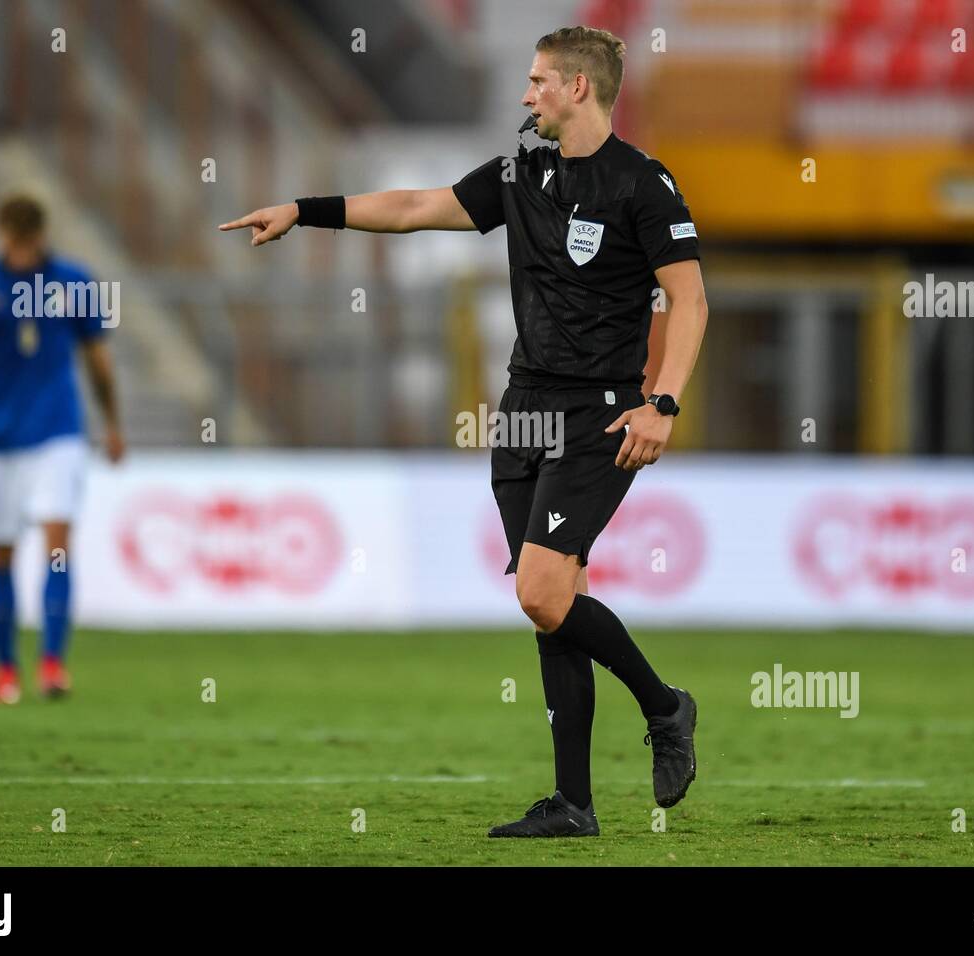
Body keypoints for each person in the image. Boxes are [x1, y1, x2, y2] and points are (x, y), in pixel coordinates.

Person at [220, 26, 709, 837]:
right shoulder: (522, 169)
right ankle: (575, 805)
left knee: (541, 590)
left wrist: (661, 402)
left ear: (578, 88)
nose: (526, 96)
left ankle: (666, 707)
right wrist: (305, 212)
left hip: (600, 414)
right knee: (556, 604)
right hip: (522, 408)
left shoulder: (643, 185)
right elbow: (416, 208)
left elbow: (689, 302)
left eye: (539, 81)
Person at [0, 195, 124, 703]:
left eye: (26, 245)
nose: (18, 255)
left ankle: (53, 664)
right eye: (12, 246)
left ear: (38, 237)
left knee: (58, 544)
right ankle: (5, 670)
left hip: (58, 431)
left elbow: (96, 358)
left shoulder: (73, 281)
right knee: (0, 552)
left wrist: (112, 423)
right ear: (1, 237)